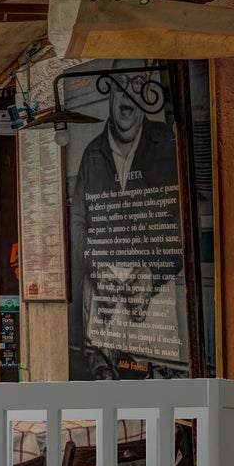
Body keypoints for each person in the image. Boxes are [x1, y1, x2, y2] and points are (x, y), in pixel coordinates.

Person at [67, 74, 184, 375]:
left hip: (152, 294)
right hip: (102, 292)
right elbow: (77, 220)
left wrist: (153, 273)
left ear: (146, 94)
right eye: (119, 85)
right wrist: (95, 265)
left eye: (136, 84)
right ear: (110, 97)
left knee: (156, 382)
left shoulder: (166, 143)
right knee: (103, 377)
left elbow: (182, 219)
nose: (127, 93)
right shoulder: (92, 153)